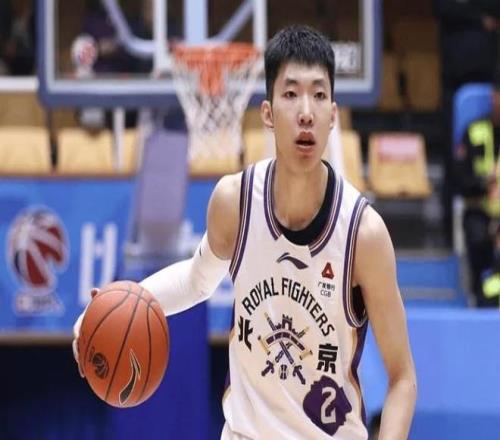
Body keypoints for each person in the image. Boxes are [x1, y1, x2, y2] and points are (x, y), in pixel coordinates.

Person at [73, 25, 417, 439]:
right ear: (268, 114)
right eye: (291, 94)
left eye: (318, 95)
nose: (305, 112)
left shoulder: (363, 234)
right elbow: (196, 282)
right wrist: (112, 306)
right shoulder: (234, 202)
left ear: (333, 115)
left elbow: (402, 379)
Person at [455, 86, 500, 307]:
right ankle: (480, 296)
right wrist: (486, 184)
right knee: (477, 235)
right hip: (479, 207)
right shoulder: (474, 131)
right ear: (494, 98)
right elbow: (461, 180)